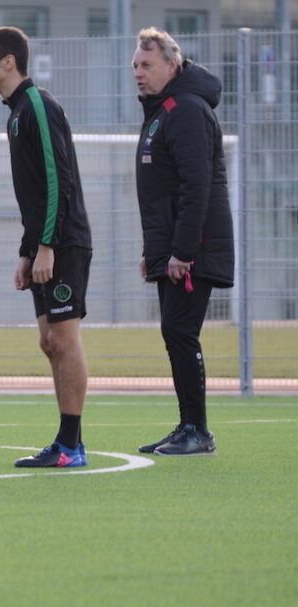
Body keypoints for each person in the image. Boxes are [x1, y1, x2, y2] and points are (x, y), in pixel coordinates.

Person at [0, 26, 92, 468]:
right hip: (44, 245)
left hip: (64, 243)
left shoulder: (37, 104)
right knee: (49, 342)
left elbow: (58, 179)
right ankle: (65, 443)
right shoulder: (16, 112)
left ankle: (71, 446)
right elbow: (34, 192)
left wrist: (46, 245)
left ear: (10, 61)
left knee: (63, 339)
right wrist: (27, 250)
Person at [132, 28, 232, 456]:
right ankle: (187, 425)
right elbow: (162, 191)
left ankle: (198, 430)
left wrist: (182, 252)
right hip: (173, 246)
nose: (138, 73)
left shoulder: (186, 109)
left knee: (180, 330)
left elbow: (197, 187)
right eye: (135, 65)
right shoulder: (163, 110)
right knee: (175, 332)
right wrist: (153, 252)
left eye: (146, 65)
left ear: (172, 65)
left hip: (194, 249)